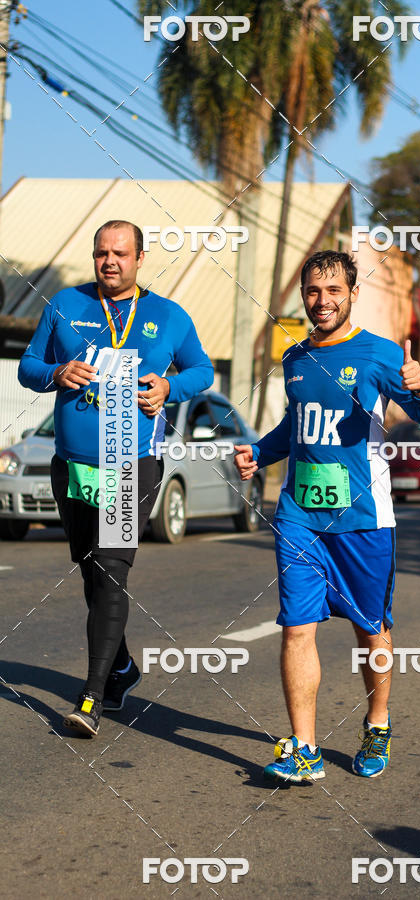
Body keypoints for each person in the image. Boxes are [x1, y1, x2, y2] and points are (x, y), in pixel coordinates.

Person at [234, 249, 420, 781]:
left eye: (333, 291)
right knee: (296, 629)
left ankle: (377, 724)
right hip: (299, 514)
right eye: (312, 291)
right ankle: (303, 748)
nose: (321, 301)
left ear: (353, 294)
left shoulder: (378, 355)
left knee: (369, 628)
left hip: (363, 518)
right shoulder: (296, 358)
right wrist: (260, 452)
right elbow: (296, 426)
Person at [18, 220, 213, 736]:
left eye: (120, 253)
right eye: (102, 252)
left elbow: (202, 370)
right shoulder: (64, 303)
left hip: (130, 467)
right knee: (89, 571)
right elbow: (28, 365)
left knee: (110, 572)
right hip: (73, 467)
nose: (110, 261)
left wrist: (170, 386)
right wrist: (55, 373)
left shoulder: (168, 316)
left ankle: (91, 698)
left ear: (140, 258)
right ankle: (122, 668)